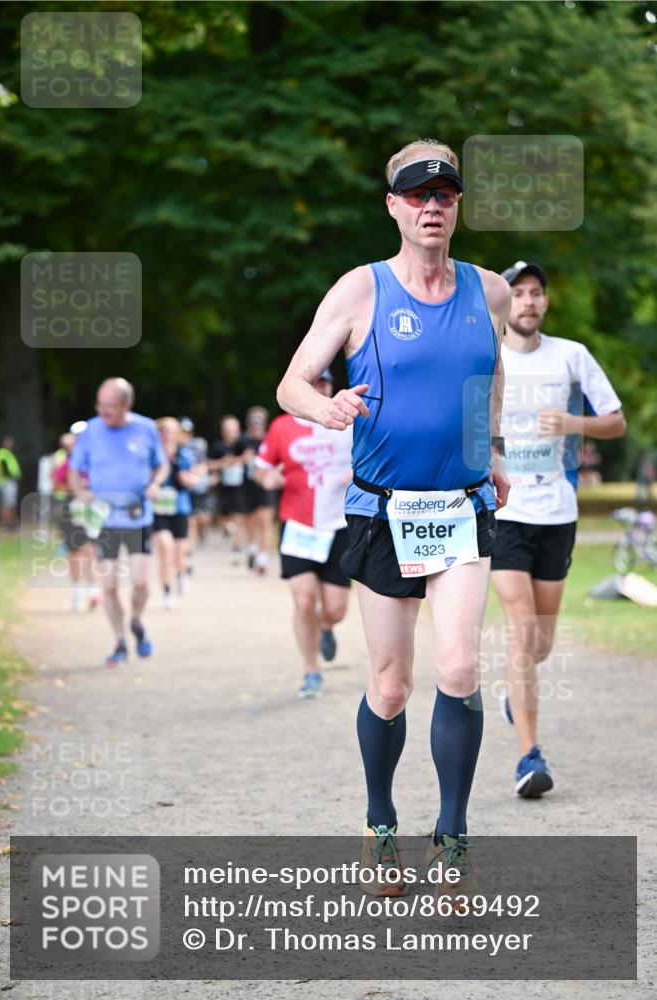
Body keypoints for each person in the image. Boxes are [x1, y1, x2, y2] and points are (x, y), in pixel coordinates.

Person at [276, 139, 511, 891]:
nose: (432, 206)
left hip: (461, 508)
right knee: (389, 686)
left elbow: (489, 379)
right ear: (393, 207)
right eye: (417, 195)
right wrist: (324, 407)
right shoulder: (360, 291)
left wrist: (491, 450)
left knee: (460, 667)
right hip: (382, 511)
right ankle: (380, 822)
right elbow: (291, 384)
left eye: (444, 194)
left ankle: (452, 837)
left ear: (458, 205)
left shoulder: (490, 293)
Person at [491, 261, 625, 798]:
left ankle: (514, 690)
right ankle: (529, 756)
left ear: (545, 302)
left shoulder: (572, 355)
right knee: (522, 629)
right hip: (504, 512)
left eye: (535, 293)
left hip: (556, 512)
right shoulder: (485, 358)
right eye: (518, 293)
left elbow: (615, 420)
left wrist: (575, 423)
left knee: (540, 643)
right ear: (504, 303)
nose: (527, 301)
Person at [255, 370, 353, 697]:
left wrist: (353, 475)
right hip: (298, 524)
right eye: (313, 383)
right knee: (304, 599)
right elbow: (262, 469)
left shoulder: (348, 423)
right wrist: (269, 479)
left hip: (338, 525)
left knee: (336, 609)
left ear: (331, 386)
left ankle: (325, 626)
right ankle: (311, 671)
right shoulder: (281, 426)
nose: (319, 388)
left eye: (324, 383)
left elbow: (371, 459)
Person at [69, 378, 169, 667]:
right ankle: (120, 641)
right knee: (110, 587)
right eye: (100, 405)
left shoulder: (146, 428)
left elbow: (162, 465)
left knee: (140, 582)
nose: (103, 411)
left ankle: (136, 619)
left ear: (127, 405)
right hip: (105, 519)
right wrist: (80, 493)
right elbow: (74, 470)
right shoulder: (90, 431)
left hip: (138, 517)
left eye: (110, 406)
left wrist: (156, 484)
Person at [52, 428, 101, 611]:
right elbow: (57, 483)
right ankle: (77, 591)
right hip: (71, 507)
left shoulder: (97, 458)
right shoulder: (67, 460)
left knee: (90, 549)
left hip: (91, 508)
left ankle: (93, 591)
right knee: (74, 552)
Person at [153, 418, 198, 609]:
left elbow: (194, 478)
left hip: (179, 507)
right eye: (163, 431)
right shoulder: (152, 454)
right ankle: (166, 591)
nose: (167, 435)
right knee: (165, 547)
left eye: (171, 431)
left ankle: (180, 573)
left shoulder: (184, 455)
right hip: (158, 508)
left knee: (179, 554)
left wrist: (187, 479)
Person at [241, 406, 276, 575]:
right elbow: (228, 460)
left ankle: (263, 557)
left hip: (266, 484)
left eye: (259, 420)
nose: (256, 423)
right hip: (248, 486)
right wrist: (242, 458)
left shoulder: (271, 439)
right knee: (250, 520)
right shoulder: (242, 441)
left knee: (265, 520)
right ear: (248, 422)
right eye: (254, 420)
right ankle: (253, 547)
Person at [210, 416, 249, 565]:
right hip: (224, 487)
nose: (231, 433)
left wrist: (238, 460)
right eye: (228, 430)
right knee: (224, 518)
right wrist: (223, 463)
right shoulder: (218, 447)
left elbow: (250, 457)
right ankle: (226, 528)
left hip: (240, 487)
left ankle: (236, 549)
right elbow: (209, 464)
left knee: (239, 518)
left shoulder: (242, 444)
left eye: (233, 430)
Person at [0, 435, 21, 532]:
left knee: (9, 503)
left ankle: (12, 524)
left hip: (6, 482)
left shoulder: (7, 453)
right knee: (7, 504)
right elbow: (5, 468)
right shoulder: (2, 453)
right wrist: (15, 475)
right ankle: (8, 524)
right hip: (6, 482)